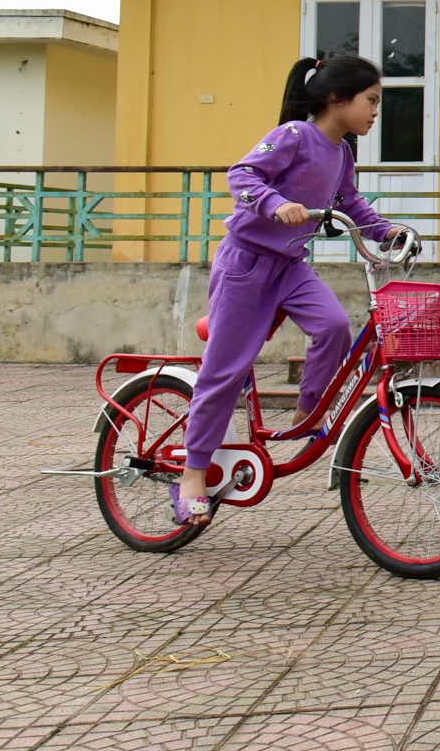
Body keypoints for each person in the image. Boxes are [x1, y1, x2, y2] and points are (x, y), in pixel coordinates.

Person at [171, 54, 408, 527]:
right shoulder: (294, 136)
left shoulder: (342, 153)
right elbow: (241, 175)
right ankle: (192, 475)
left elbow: (350, 203)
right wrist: (275, 204)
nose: (375, 111)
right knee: (226, 371)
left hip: (290, 266)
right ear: (337, 98)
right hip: (245, 264)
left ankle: (307, 414)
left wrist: (387, 231)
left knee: (334, 327)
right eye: (370, 101)